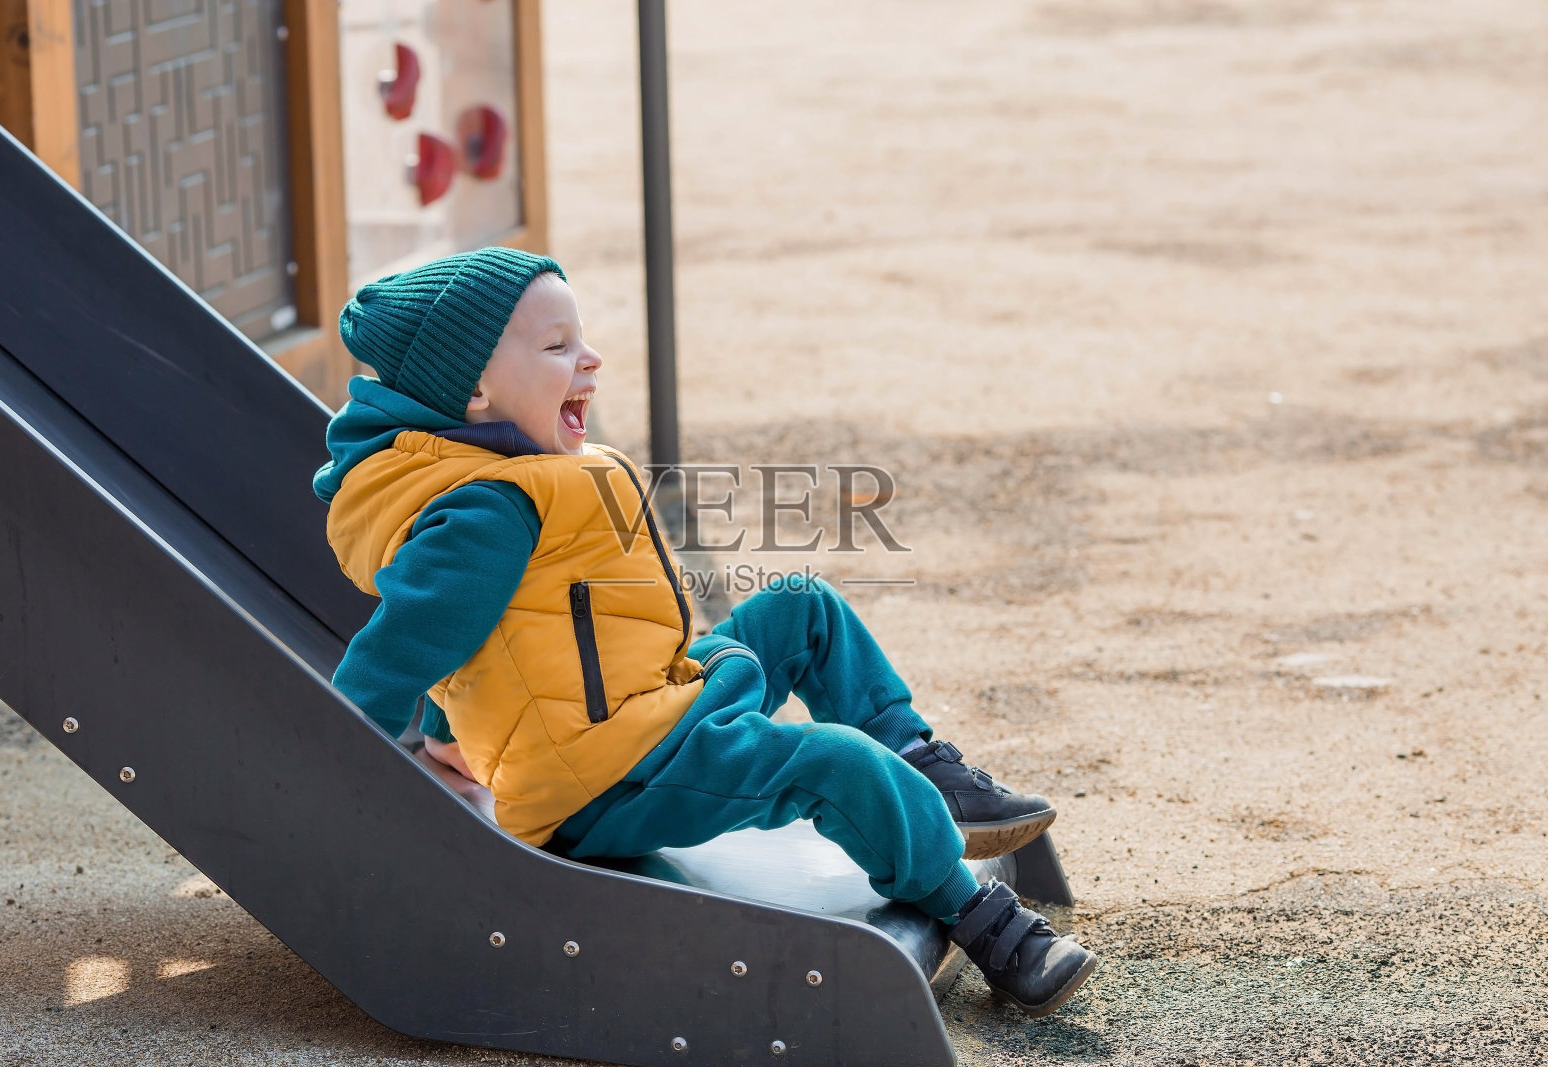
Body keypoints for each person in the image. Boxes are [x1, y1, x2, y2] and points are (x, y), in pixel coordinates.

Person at [313, 247, 1098, 1017]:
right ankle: (988, 927)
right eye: (557, 347)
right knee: (832, 763)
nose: (589, 359)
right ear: (476, 388)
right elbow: (408, 647)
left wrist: (454, 736)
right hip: (611, 778)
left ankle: (921, 763)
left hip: (651, 707)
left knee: (800, 604)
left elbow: (492, 643)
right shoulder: (481, 515)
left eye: (579, 337)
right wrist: (339, 772)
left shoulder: (516, 477)